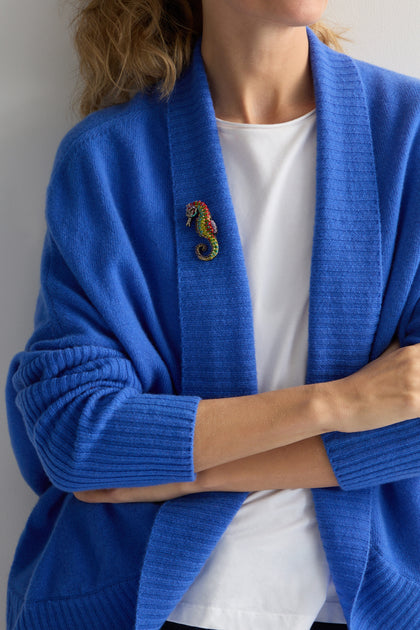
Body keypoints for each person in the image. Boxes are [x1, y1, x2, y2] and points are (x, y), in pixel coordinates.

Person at [5, 1, 420, 629]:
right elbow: (75, 432)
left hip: (362, 603)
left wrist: (178, 474)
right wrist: (339, 404)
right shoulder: (107, 160)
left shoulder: (409, 136)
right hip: (150, 601)